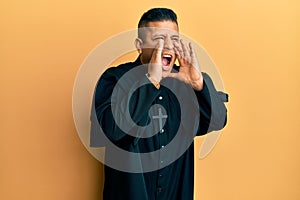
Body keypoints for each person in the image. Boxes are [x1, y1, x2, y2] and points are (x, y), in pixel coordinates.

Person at [91, 8, 228, 200]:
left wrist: (199, 85)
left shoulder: (187, 82)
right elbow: (111, 130)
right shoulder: (115, 79)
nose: (168, 46)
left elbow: (218, 121)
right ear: (139, 45)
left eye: (173, 39)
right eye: (159, 40)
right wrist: (151, 81)